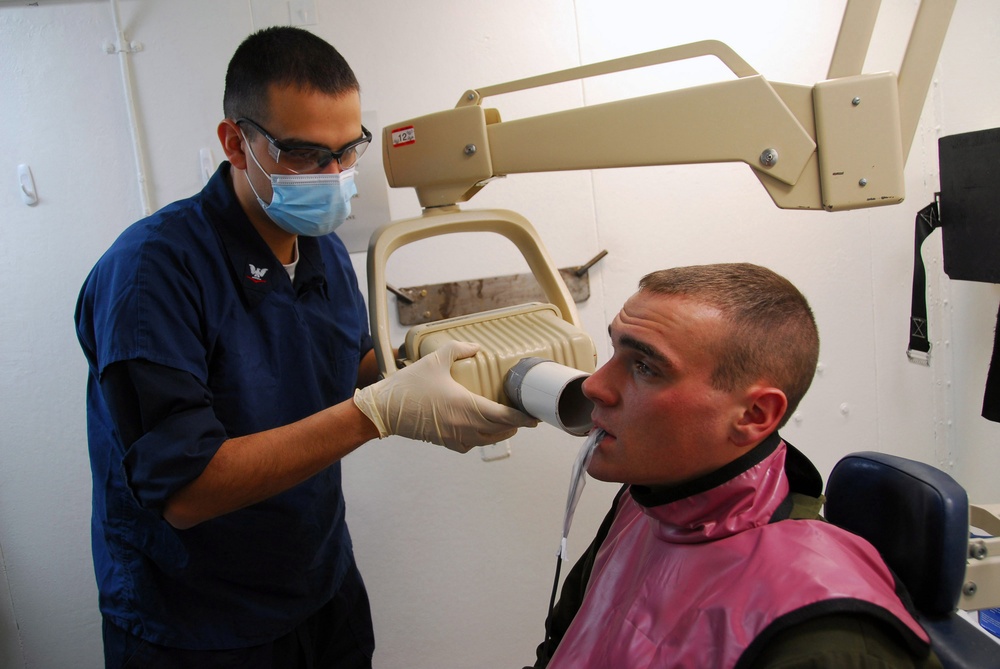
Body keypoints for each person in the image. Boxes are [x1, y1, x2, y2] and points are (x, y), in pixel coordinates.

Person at [75, 26, 535, 668]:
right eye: (307, 155)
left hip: (319, 586)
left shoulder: (316, 248)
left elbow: (347, 359)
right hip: (198, 621)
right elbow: (187, 491)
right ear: (237, 142)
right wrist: (380, 413)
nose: (337, 177)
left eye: (350, 151)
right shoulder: (153, 272)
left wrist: (457, 374)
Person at [528, 263, 941, 669]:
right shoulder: (643, 504)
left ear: (754, 415)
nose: (593, 385)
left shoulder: (824, 635)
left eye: (644, 367)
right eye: (616, 350)